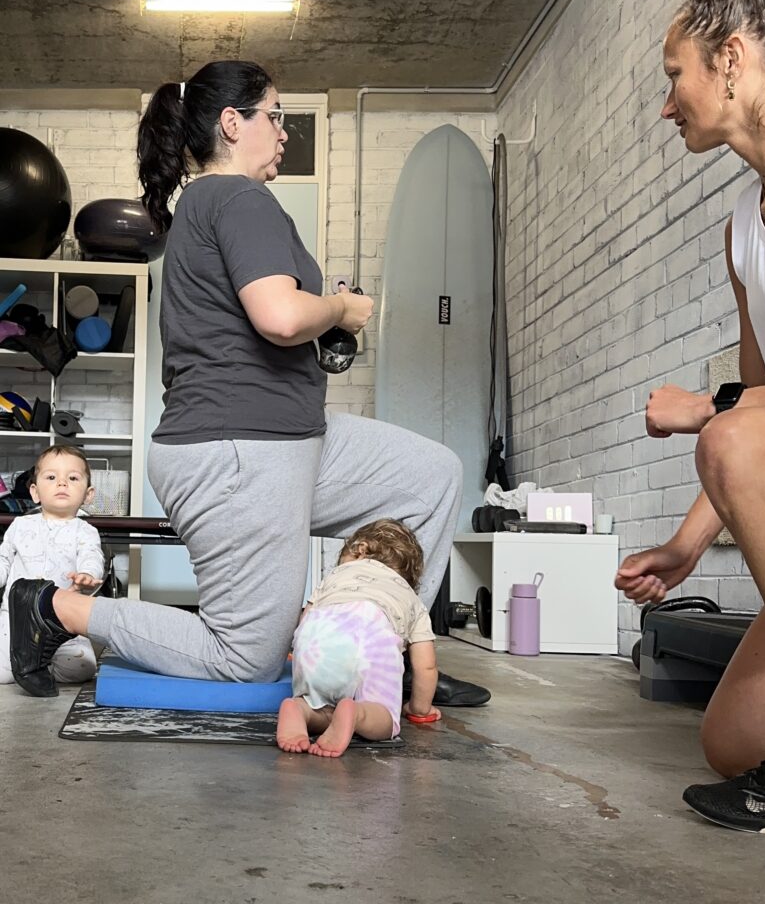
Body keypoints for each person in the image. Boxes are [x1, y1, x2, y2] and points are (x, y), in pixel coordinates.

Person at [7, 59, 490, 708]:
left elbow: (267, 324)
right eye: (276, 116)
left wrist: (323, 322)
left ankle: (391, 655)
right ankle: (54, 608)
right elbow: (281, 315)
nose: (285, 132)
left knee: (428, 476)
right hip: (237, 452)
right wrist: (340, 311)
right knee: (246, 659)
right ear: (233, 124)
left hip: (287, 439)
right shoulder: (236, 197)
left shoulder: (209, 208)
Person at [614, 0, 765, 832]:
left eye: (676, 75)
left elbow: (736, 423)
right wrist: (683, 547)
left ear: (732, 59)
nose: (667, 104)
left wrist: (702, 410)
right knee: (733, 743)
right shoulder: (744, 229)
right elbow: (758, 412)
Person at [277, 518, 441, 757]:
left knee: (319, 703)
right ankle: (358, 714)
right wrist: (419, 708)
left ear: (356, 551)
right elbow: (425, 665)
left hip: (318, 638)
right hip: (371, 637)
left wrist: (297, 652)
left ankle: (301, 709)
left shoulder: (333, 579)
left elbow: (306, 620)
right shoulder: (410, 598)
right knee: (383, 718)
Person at [2, 446, 103, 696]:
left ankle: (38, 665)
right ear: (35, 492)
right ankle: (22, 661)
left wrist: (87, 576)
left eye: (72, 478)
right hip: (15, 620)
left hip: (62, 623)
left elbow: (92, 556)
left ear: (88, 494)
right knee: (2, 673)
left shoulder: (85, 531)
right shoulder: (20, 525)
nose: (62, 483)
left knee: (83, 667)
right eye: (51, 477)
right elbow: (3, 557)